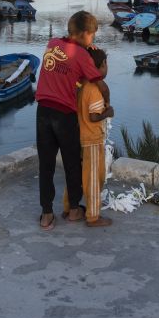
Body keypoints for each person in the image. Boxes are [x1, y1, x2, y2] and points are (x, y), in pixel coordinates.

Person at [35, 10, 110, 231]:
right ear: (86, 34)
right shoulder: (82, 56)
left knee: (46, 165)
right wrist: (108, 104)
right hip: (64, 115)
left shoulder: (52, 43)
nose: (93, 40)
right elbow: (99, 81)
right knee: (72, 163)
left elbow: (67, 61)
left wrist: (84, 50)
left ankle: (46, 215)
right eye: (92, 36)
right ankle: (75, 210)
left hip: (42, 111)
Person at [68, 47, 114, 227]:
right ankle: (93, 216)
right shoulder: (94, 90)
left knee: (78, 175)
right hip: (92, 139)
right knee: (95, 177)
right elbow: (94, 116)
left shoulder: (81, 85)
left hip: (79, 136)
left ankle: (69, 207)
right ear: (102, 65)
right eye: (106, 64)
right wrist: (107, 112)